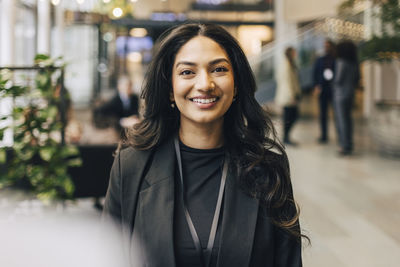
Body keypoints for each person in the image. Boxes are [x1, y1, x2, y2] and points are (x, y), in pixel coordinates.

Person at [103, 23, 305, 267]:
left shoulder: (269, 168)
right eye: (187, 72)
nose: (205, 84)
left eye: (218, 69)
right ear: (169, 89)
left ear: (236, 84)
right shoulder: (131, 166)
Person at [333, 40, 360, 156]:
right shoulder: (355, 63)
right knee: (348, 120)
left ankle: (343, 146)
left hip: (340, 95)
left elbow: (338, 79)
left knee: (341, 120)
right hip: (350, 94)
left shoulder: (340, 62)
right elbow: (357, 79)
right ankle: (349, 144)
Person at [275, 47, 301, 146]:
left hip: (291, 94)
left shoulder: (291, 64)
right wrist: (292, 96)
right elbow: (287, 82)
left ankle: (286, 137)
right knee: (290, 117)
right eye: (294, 52)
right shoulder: (285, 65)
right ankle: (286, 137)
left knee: (291, 116)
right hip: (288, 95)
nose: (295, 54)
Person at [313, 40, 336, 144]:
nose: (326, 47)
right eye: (325, 45)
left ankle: (339, 135)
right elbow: (315, 73)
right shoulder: (320, 60)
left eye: (328, 45)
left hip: (333, 89)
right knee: (323, 114)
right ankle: (324, 135)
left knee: (336, 113)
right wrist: (316, 86)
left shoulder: (336, 59)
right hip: (322, 90)